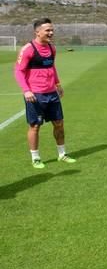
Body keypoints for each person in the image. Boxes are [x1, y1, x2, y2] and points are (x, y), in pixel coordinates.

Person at [14, 17, 76, 168]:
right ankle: (35, 157)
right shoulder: (28, 49)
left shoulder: (51, 48)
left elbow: (51, 67)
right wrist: (26, 91)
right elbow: (18, 71)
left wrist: (58, 84)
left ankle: (62, 154)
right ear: (37, 32)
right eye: (47, 30)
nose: (51, 32)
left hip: (51, 93)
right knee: (35, 126)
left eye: (52, 30)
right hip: (35, 95)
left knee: (59, 124)